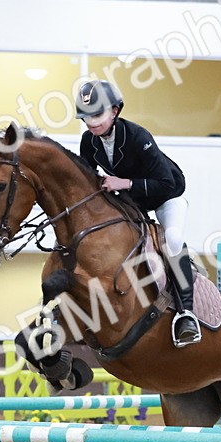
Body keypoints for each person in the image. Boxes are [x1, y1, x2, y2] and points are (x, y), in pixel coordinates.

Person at [75, 79, 199, 347]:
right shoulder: (88, 141)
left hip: (166, 196)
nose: (92, 123)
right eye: (86, 117)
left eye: (97, 115)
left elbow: (166, 183)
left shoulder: (138, 137)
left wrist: (124, 183)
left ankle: (186, 314)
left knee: (174, 239)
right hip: (133, 202)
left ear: (115, 111)